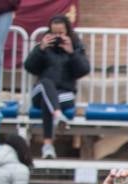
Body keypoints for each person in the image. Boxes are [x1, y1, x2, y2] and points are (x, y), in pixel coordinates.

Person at [21, 15, 88, 160]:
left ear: (67, 32)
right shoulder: (43, 47)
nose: (58, 37)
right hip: (41, 91)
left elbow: (83, 70)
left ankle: (48, 146)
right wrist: (41, 49)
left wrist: (72, 53)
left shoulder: (75, 47)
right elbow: (29, 67)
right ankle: (58, 116)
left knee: (49, 102)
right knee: (46, 83)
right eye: (54, 33)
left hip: (64, 93)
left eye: (61, 33)